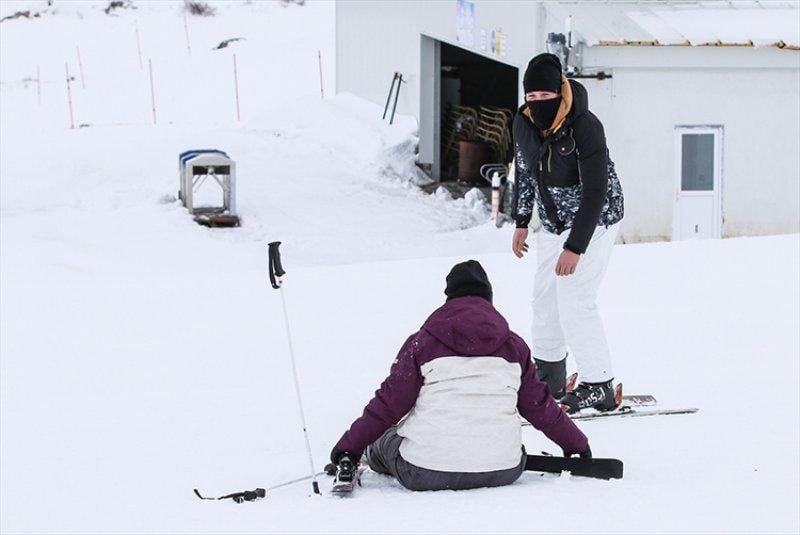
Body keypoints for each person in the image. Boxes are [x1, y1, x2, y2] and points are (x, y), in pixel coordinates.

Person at [330, 260, 590, 492]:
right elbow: (540, 407)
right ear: (488, 298)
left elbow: (388, 405)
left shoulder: (423, 343)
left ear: (449, 299)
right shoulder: (514, 346)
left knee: (384, 438)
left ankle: (367, 453)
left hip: (423, 472)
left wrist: (348, 448)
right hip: (503, 470)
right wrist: (577, 444)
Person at [511, 53, 624, 414]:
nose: (539, 104)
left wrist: (575, 247)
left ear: (559, 92)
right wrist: (521, 221)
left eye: (546, 97)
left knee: (575, 298)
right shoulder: (524, 123)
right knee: (543, 297)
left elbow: (596, 191)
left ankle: (599, 383)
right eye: (532, 98)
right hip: (554, 221)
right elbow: (526, 174)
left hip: (596, 220)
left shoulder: (585, 126)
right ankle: (549, 375)